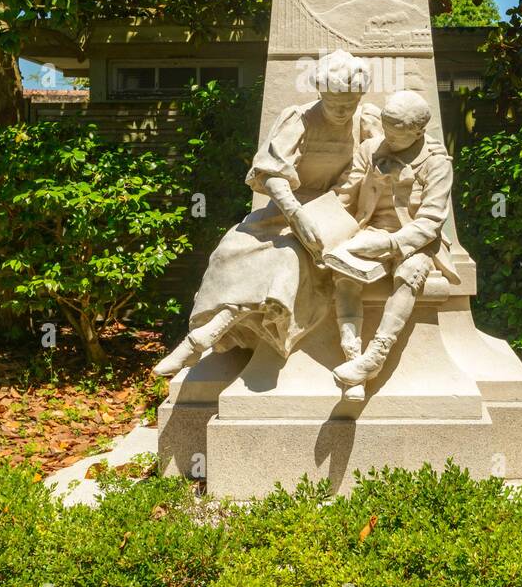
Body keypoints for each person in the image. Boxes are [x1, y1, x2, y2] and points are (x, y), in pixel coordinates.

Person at [153, 51, 372, 378]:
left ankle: (204, 337)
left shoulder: (367, 121)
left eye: (349, 103)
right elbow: (270, 173)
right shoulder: (299, 119)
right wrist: (296, 213)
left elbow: (377, 171)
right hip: (288, 208)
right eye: (334, 103)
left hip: (336, 213)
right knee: (231, 248)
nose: (342, 112)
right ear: (320, 94)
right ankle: (207, 332)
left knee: (288, 256)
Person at [331, 89, 460, 400]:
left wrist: (389, 243)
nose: (386, 137)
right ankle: (353, 361)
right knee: (343, 274)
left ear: (418, 131)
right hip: (369, 231)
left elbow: (429, 223)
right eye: (385, 129)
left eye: (395, 133)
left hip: (414, 242)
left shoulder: (438, 164)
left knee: (410, 275)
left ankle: (376, 356)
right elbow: (346, 192)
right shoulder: (370, 148)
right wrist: (321, 219)